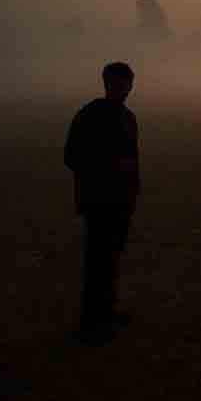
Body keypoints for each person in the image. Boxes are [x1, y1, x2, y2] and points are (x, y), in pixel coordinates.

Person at [64, 62, 139, 346]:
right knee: (98, 261)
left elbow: (133, 161)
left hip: (121, 200)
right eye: (115, 83)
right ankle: (91, 321)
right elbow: (71, 156)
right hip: (98, 200)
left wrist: (132, 193)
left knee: (112, 259)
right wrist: (105, 168)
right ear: (106, 83)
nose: (120, 88)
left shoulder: (128, 118)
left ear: (131, 86)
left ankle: (106, 313)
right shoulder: (89, 116)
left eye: (125, 83)